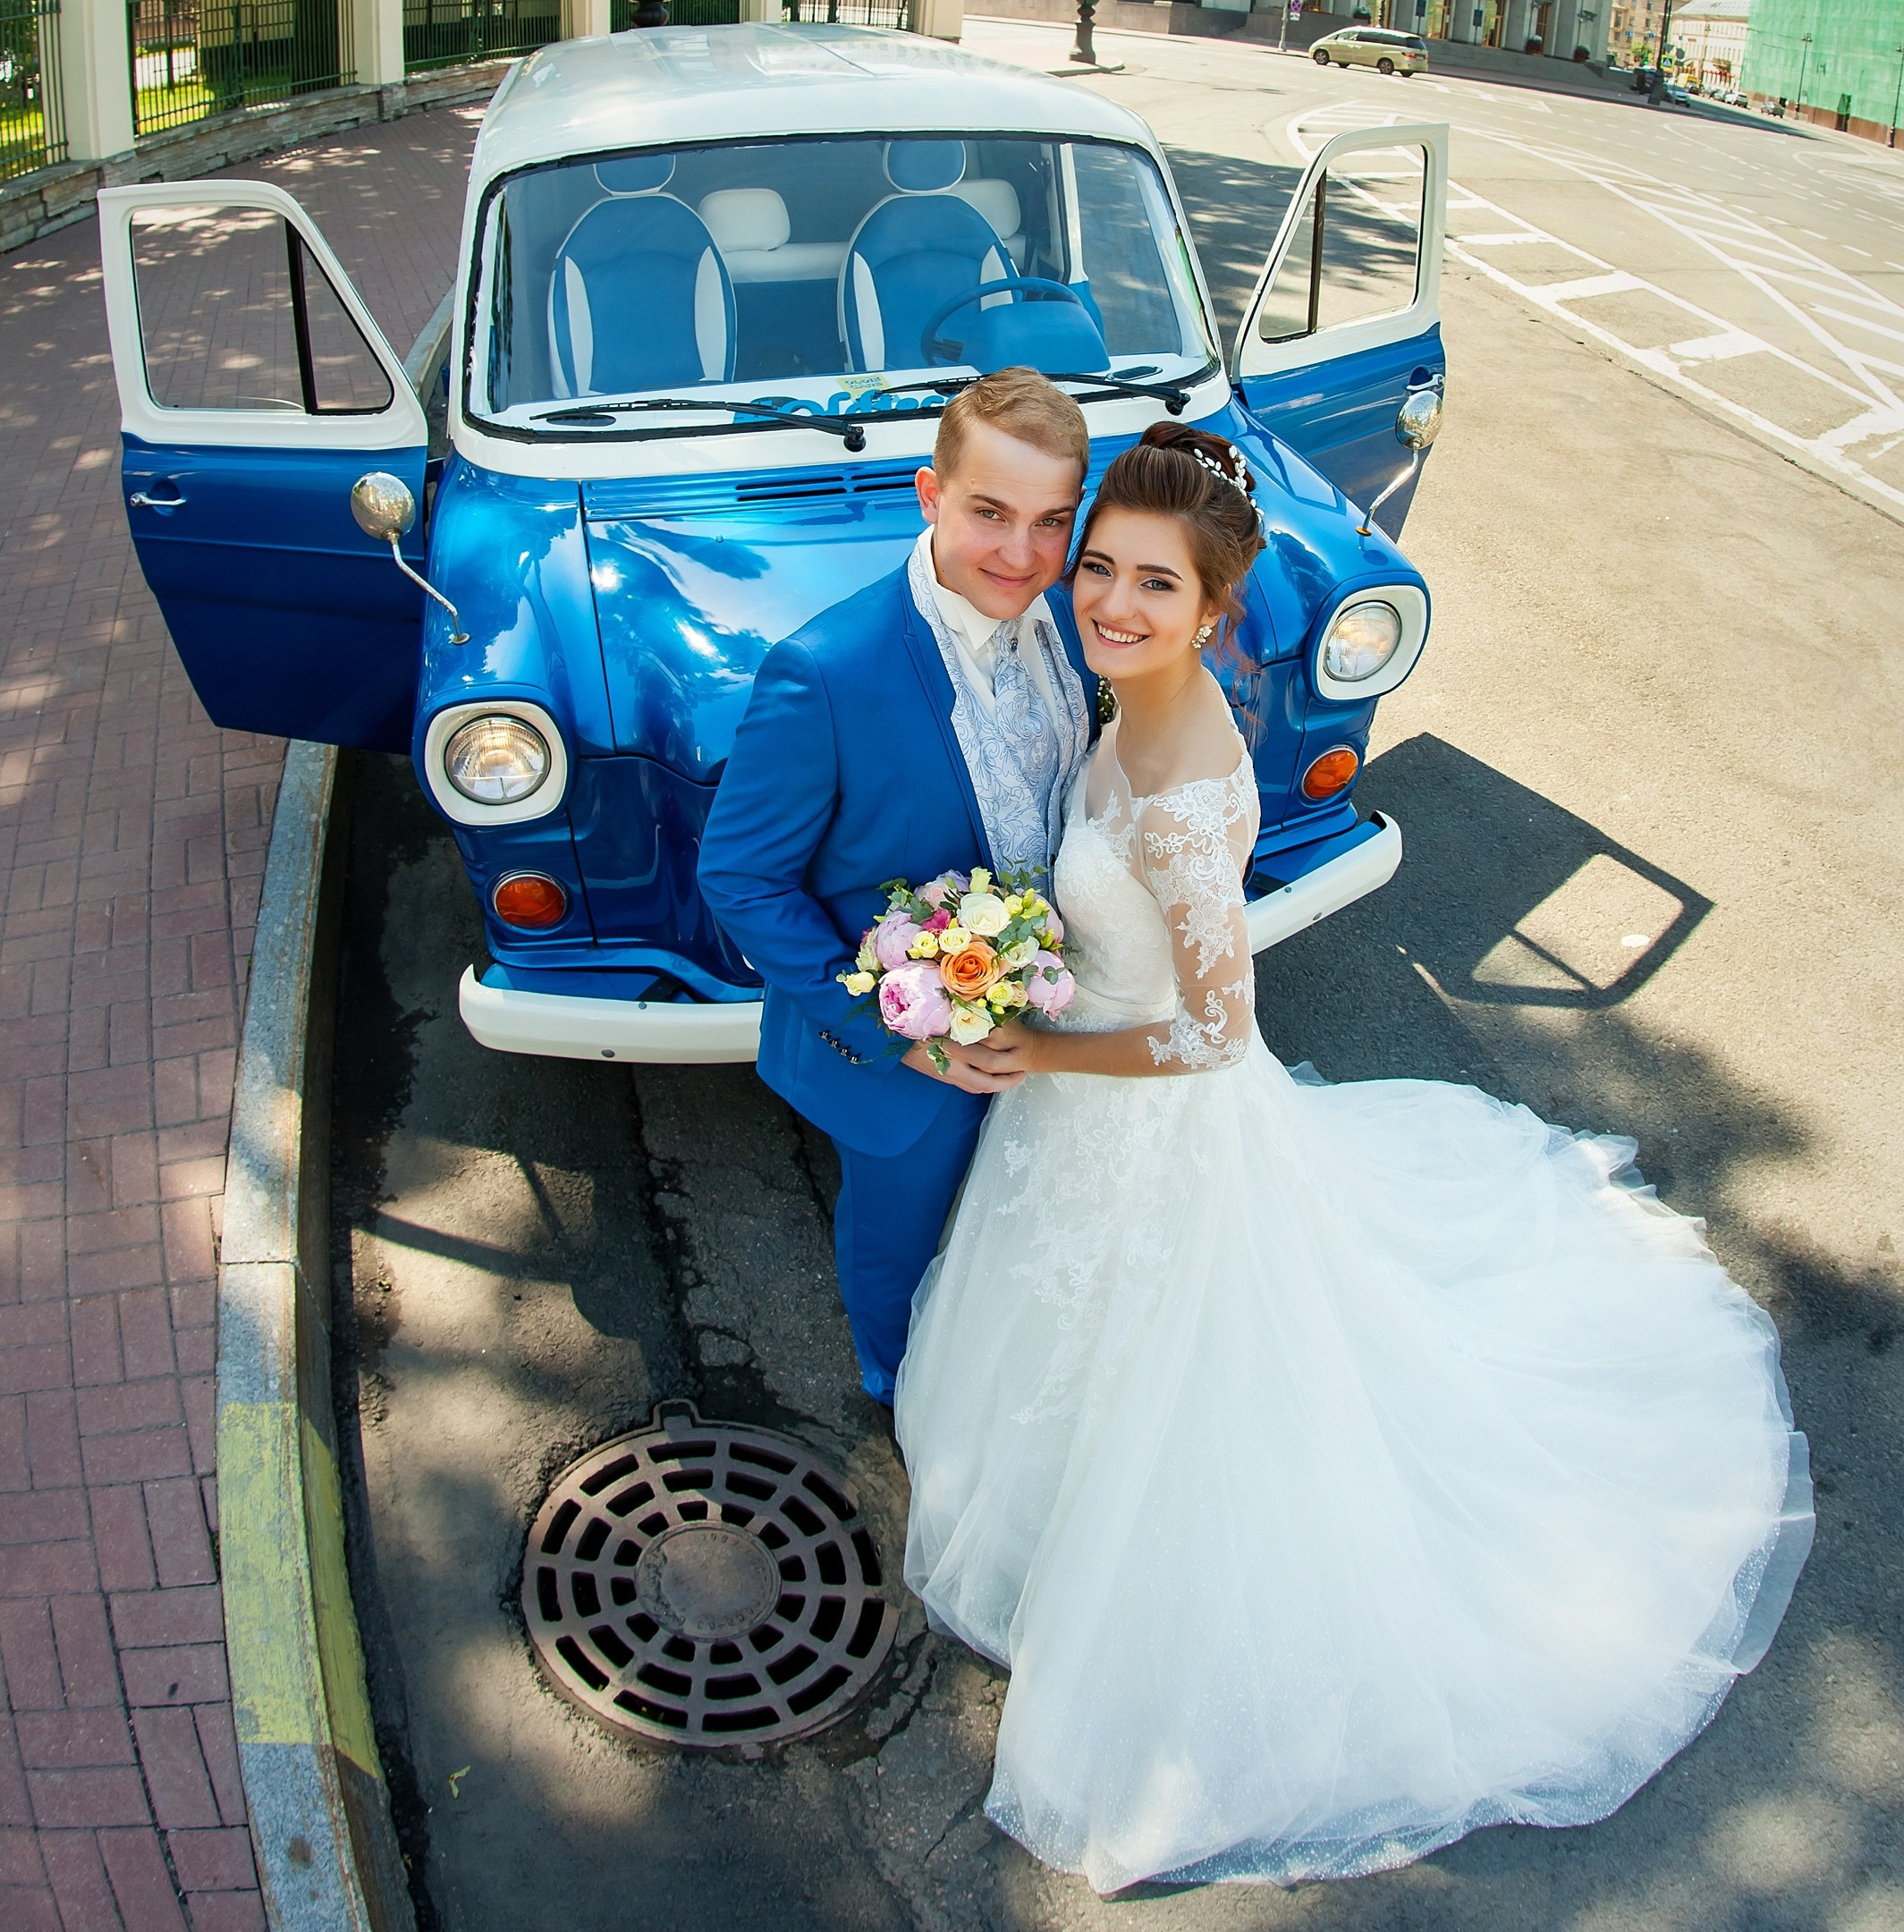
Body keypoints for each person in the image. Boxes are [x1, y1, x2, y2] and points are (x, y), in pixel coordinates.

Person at [895, 420, 1813, 1894]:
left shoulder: (1186, 785)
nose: (1113, 606)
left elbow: (1207, 1034)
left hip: (1151, 1109)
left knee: (1192, 1400)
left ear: (1215, 612)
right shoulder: (1129, 697)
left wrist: (1039, 1048)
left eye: (1156, 588)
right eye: (1103, 571)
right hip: (1087, 1104)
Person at [698, 369, 1098, 1407]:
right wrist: (902, 1026)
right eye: (989, 514)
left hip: (1052, 1033)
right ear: (929, 495)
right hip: (904, 1073)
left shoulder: (1063, 619)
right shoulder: (825, 671)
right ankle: (900, 1394)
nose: (1022, 553)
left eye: (1051, 521)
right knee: (900, 1253)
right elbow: (740, 876)